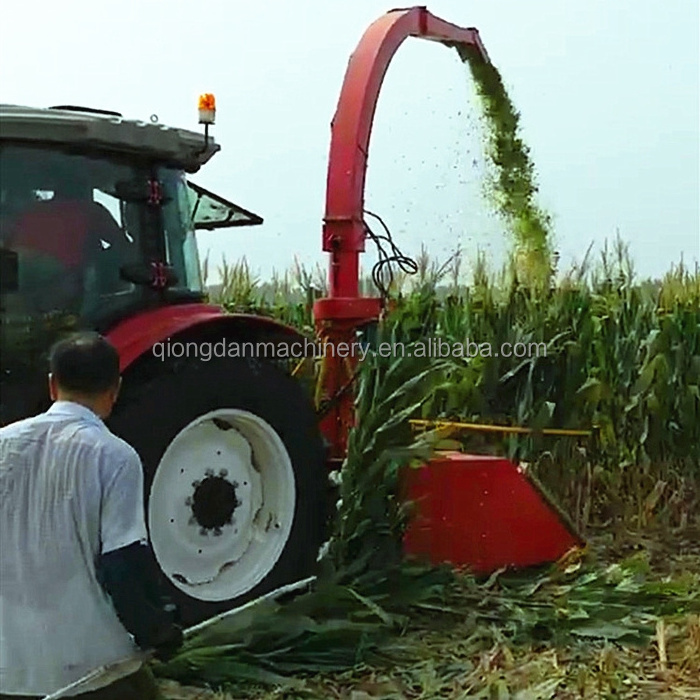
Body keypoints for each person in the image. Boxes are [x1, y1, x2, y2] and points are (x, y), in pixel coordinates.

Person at [0, 332, 182, 699]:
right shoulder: (114, 457)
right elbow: (122, 565)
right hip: (88, 666)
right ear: (115, 390)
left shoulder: (3, 443)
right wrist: (156, 630)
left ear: (52, 385)